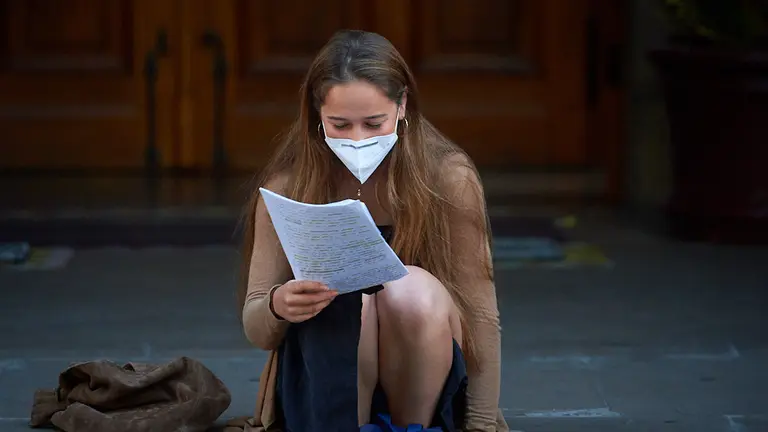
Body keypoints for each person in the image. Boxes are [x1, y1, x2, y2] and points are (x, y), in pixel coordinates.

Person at [238, 30, 507, 432]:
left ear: (402, 106)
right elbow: (256, 324)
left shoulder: (446, 177)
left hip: (424, 368)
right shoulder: (289, 185)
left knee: (408, 288)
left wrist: (482, 424)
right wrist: (279, 304)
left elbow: (482, 314)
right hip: (327, 377)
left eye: (373, 123)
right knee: (349, 299)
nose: (358, 139)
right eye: (340, 124)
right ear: (316, 116)